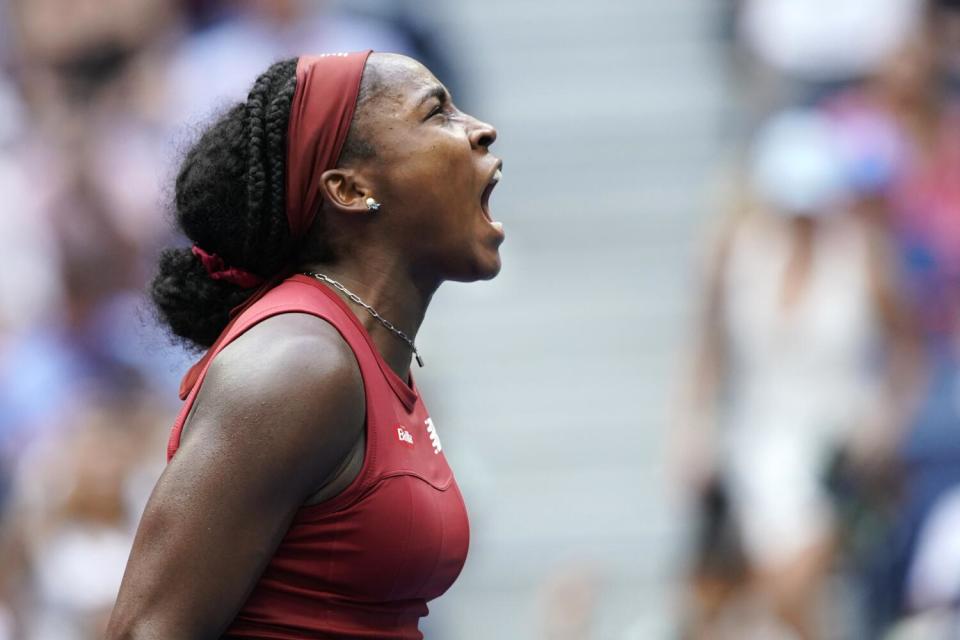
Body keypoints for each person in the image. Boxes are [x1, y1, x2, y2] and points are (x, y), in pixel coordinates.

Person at [105, 50, 504, 639]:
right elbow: (145, 631)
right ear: (349, 189)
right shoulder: (300, 364)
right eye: (436, 112)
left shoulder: (370, 354)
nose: (481, 129)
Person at [676, 109, 916, 639]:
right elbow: (707, 352)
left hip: (841, 449)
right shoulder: (735, 251)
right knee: (774, 597)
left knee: (787, 582)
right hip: (757, 442)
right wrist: (692, 432)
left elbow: (907, 350)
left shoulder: (864, 255)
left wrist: (888, 422)